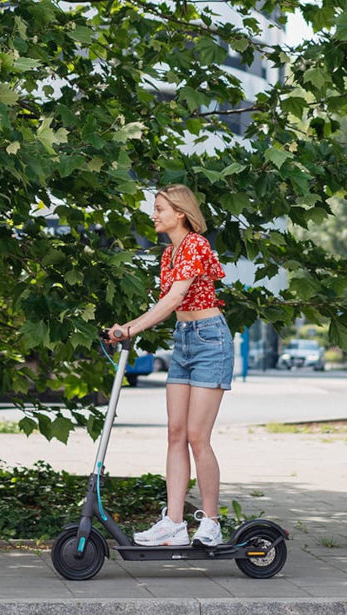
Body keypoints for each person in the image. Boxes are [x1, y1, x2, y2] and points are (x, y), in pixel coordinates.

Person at [107, 184, 232, 547]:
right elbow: (168, 307)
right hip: (184, 340)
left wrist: (130, 327)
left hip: (211, 341)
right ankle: (174, 524)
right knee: (175, 434)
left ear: (180, 213)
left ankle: (211, 521)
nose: (154, 214)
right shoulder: (169, 255)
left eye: (160, 208)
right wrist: (127, 327)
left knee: (197, 437)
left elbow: (176, 297)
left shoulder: (195, 245)